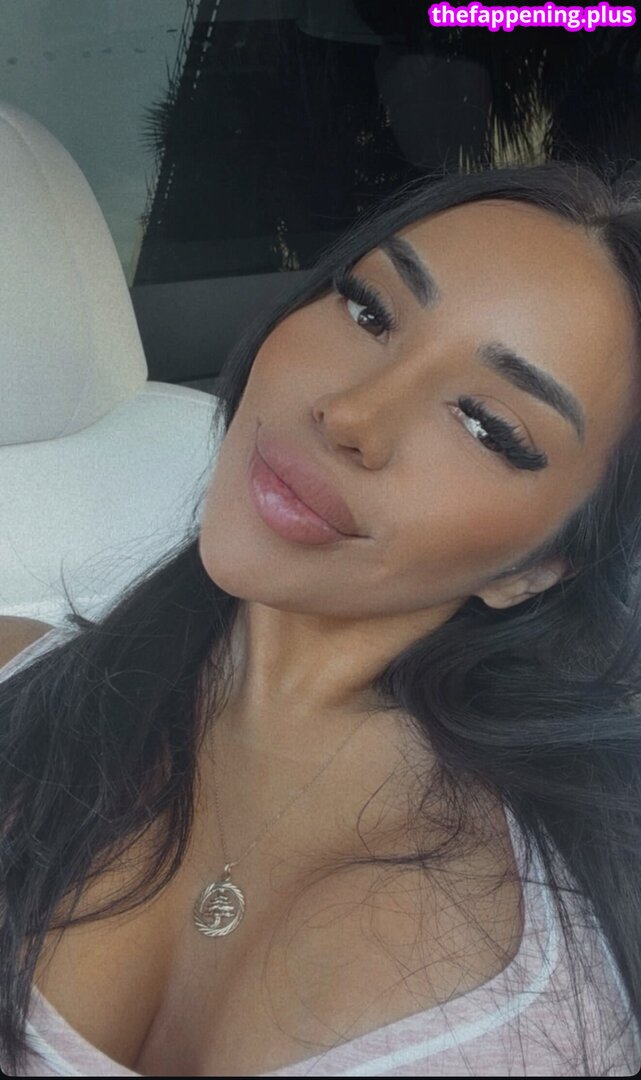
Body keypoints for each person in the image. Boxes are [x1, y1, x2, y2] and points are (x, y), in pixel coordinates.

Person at [1, 161, 640, 1077]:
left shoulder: (590, 924)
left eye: (486, 426)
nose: (350, 415)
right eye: (369, 311)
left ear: (537, 567)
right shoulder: (17, 677)